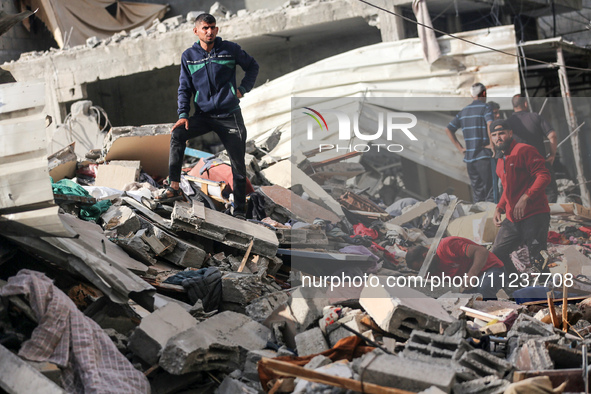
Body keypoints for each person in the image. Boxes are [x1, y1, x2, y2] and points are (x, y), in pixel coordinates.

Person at [155, 13, 259, 219]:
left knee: (238, 166)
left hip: (229, 115)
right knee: (177, 135)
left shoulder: (230, 50)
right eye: (205, 28)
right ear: (196, 31)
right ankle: (174, 187)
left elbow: (253, 66)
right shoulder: (189, 56)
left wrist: (242, 89)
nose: (209, 31)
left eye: (212, 27)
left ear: (217, 30)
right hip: (203, 115)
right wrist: (183, 114)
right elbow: (184, 88)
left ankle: (239, 212)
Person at [489, 119, 551, 274]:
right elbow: (507, 188)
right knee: (496, 253)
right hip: (513, 218)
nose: (498, 137)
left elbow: (543, 176)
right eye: (494, 135)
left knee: (537, 258)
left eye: (502, 133)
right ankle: (517, 286)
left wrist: (525, 197)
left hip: (534, 214)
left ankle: (545, 293)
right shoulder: (500, 160)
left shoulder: (524, 150)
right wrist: (499, 207)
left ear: (510, 133)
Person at [406, 236, 505, 299]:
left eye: (421, 267)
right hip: (468, 286)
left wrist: (471, 275)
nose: (424, 271)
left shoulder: (447, 246)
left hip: (490, 269)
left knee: (484, 290)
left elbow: (482, 251)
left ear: (425, 255)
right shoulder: (429, 272)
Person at [445, 83, 495, 202]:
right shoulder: (485, 108)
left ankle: (479, 219)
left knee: (478, 194)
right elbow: (490, 124)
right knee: (491, 192)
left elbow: (448, 129)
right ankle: (492, 219)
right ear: (483, 94)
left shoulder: (463, 112)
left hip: (470, 160)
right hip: (484, 157)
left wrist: (460, 148)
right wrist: (492, 145)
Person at [507, 94, 559, 203]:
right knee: (549, 192)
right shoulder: (535, 117)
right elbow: (552, 135)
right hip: (539, 162)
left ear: (513, 106)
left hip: (519, 166)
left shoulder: (508, 123)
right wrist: (552, 155)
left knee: (525, 194)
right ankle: (547, 216)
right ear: (525, 103)